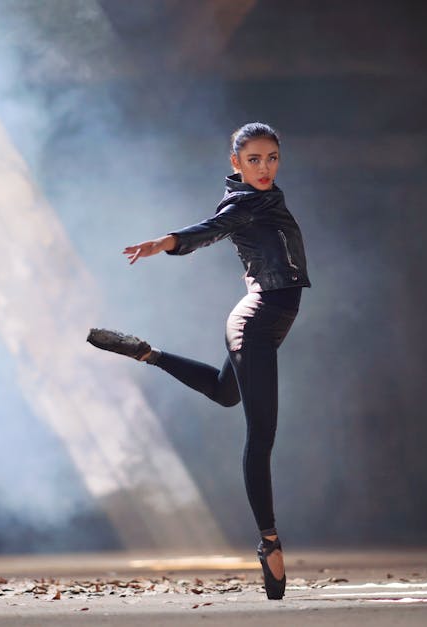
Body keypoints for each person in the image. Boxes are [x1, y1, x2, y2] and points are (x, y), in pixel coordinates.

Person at [87, 122, 310, 600]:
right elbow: (210, 230)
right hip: (255, 322)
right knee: (261, 433)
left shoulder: (267, 197)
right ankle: (269, 542)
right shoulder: (244, 202)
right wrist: (166, 242)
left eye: (271, 157)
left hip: (268, 322)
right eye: (253, 160)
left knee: (225, 393)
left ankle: (148, 353)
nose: (264, 167)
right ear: (236, 164)